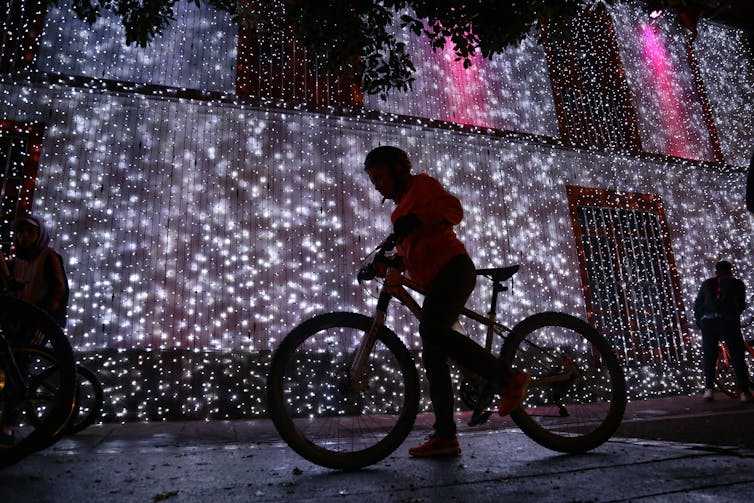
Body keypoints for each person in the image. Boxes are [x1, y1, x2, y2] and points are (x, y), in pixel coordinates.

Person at [363, 145, 530, 457]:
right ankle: (445, 437)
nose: (376, 184)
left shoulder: (421, 185)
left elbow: (453, 210)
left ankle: (508, 379)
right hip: (435, 280)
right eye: (372, 180)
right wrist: (387, 263)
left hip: (453, 269)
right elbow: (410, 249)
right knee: (433, 352)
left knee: (433, 332)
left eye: (379, 176)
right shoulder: (397, 212)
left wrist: (416, 218)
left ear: (399, 169)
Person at [0, 214, 69, 446]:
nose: (24, 237)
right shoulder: (16, 261)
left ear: (38, 234)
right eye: (20, 233)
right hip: (16, 322)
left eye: (29, 232)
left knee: (18, 370)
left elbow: (59, 290)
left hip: (38, 322)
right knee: (11, 366)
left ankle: (7, 425)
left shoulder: (48, 257)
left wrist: (45, 318)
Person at [693, 260, 752, 403]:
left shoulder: (707, 284)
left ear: (716, 271)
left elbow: (697, 305)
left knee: (709, 355)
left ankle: (709, 390)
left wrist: (700, 322)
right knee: (737, 355)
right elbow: (741, 304)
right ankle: (744, 392)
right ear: (730, 270)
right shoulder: (737, 284)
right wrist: (734, 316)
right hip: (728, 322)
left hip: (709, 322)